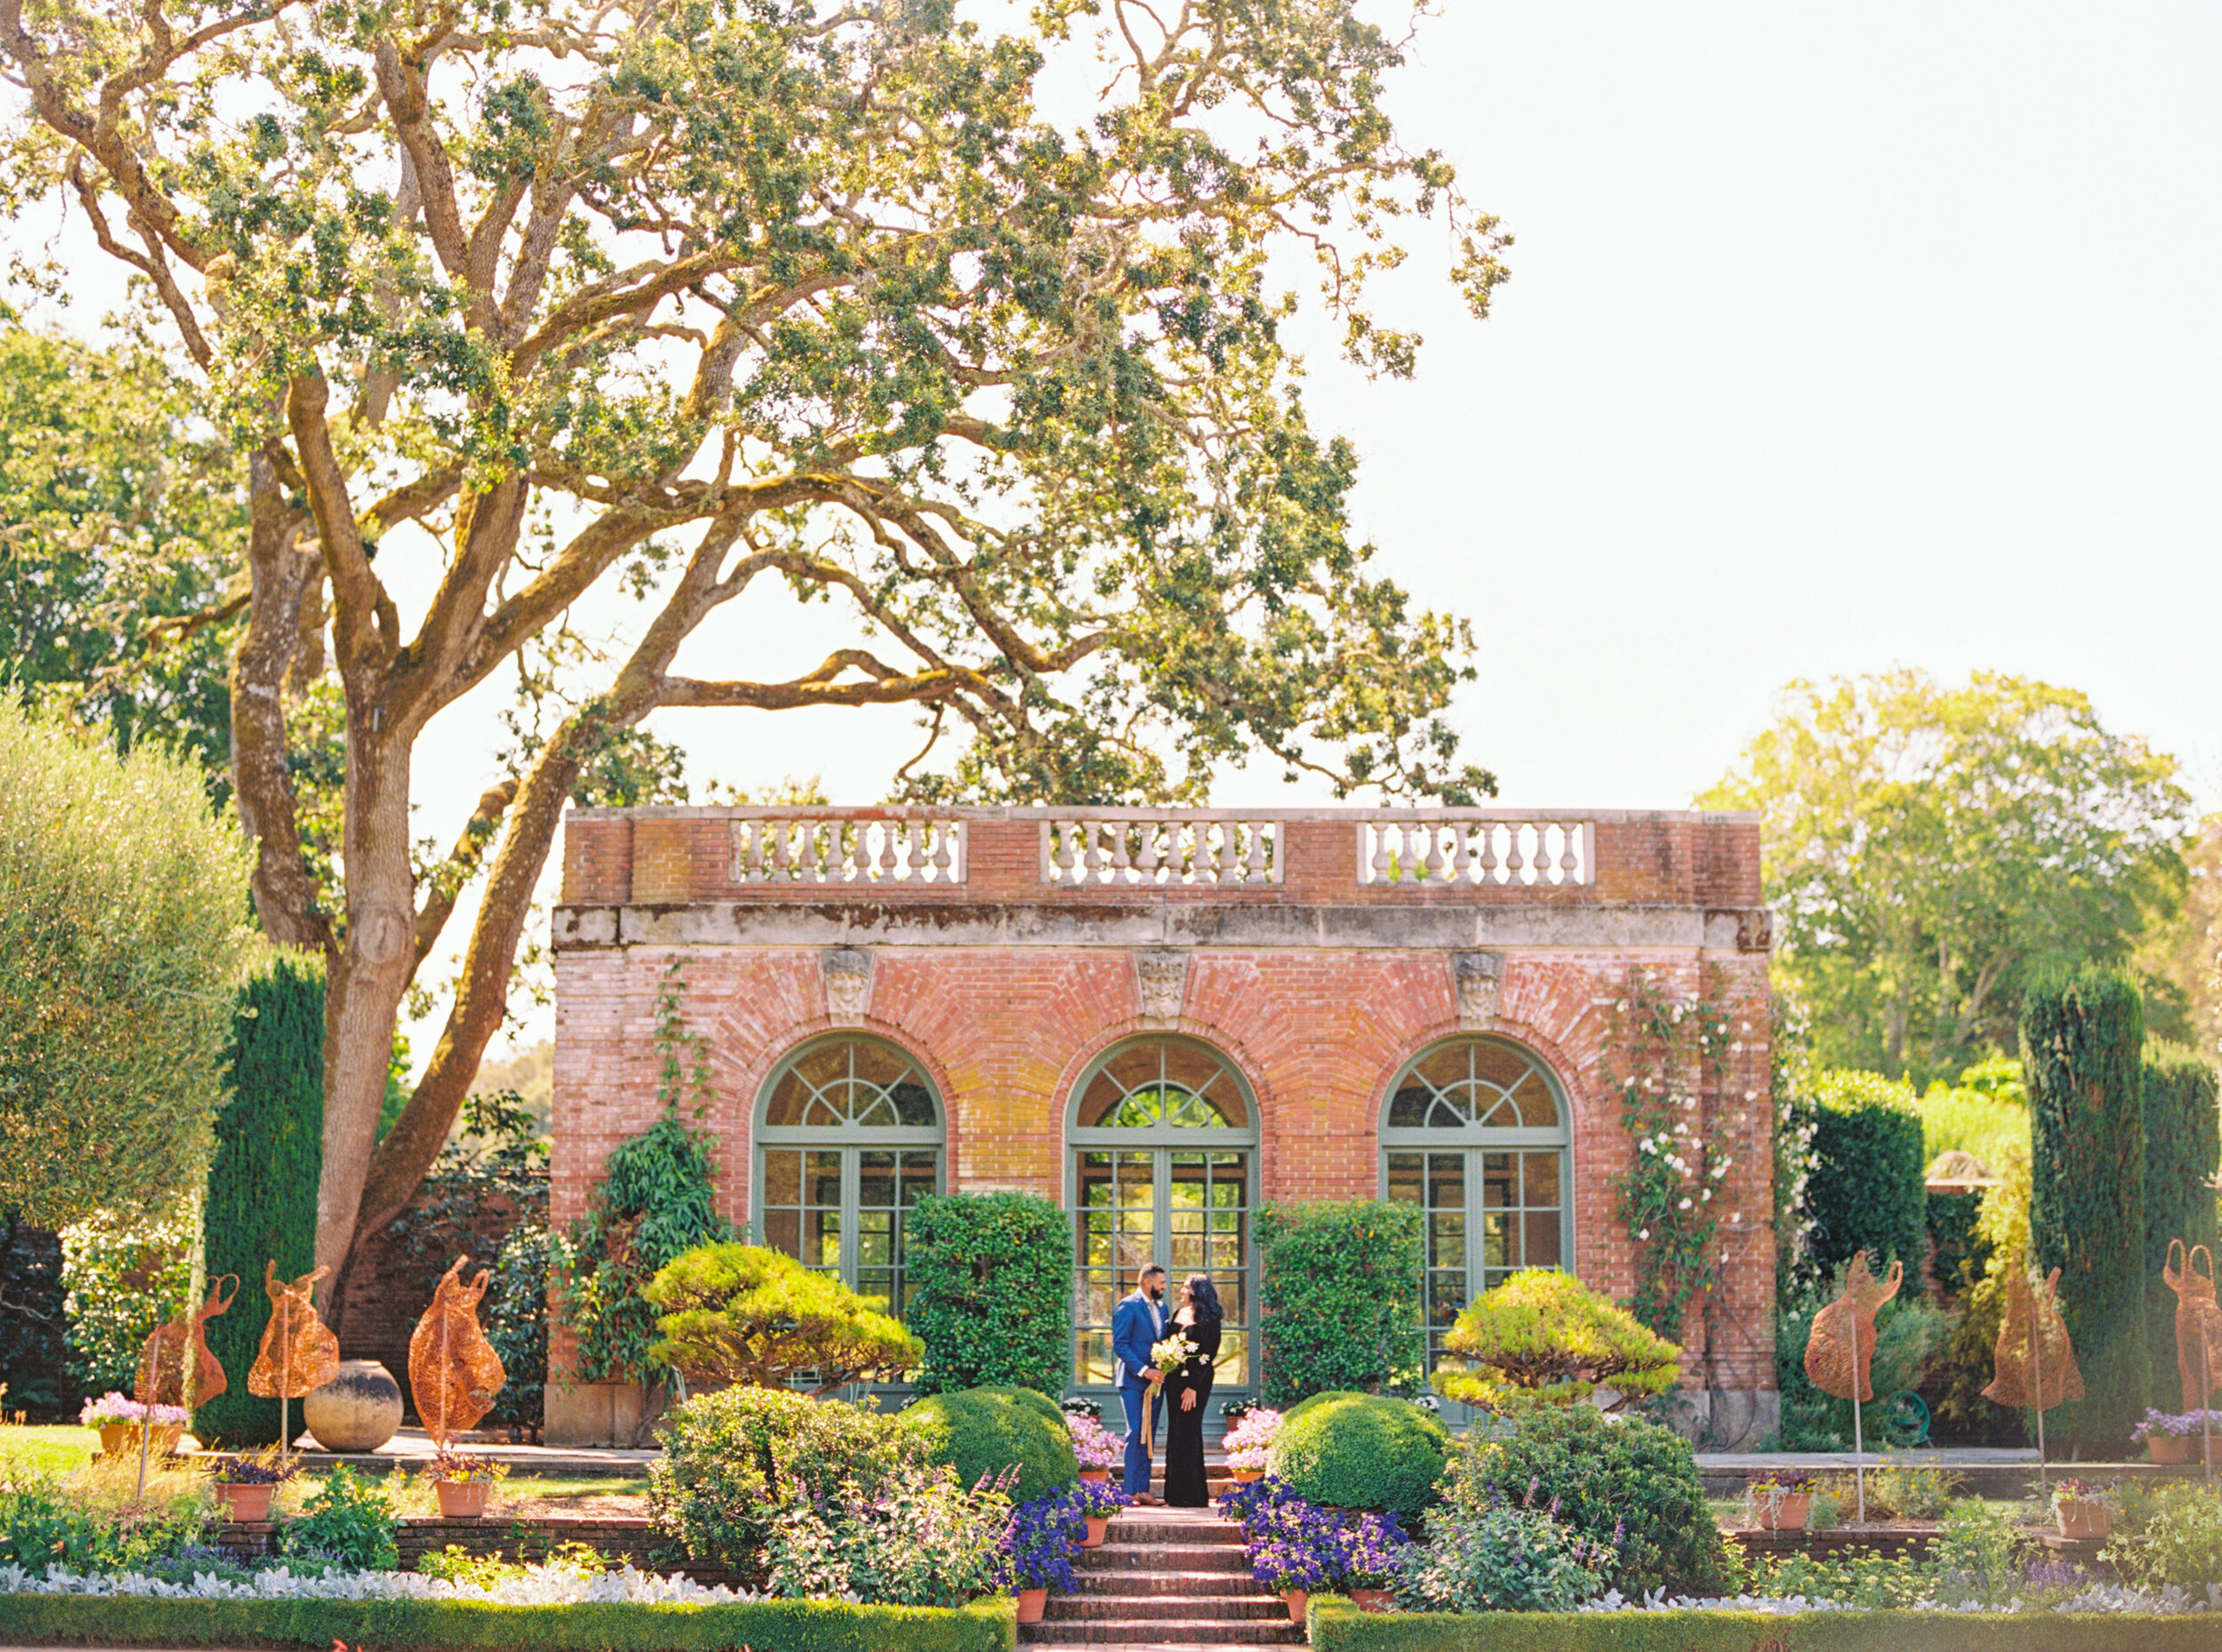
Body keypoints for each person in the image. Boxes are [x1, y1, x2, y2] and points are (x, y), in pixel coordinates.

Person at [1162, 1273, 1224, 1507]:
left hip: (1196, 1383)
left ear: (1198, 1291)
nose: (1181, 1290)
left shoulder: (1210, 1318)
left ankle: (1194, 1495)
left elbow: (1208, 1355)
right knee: (1176, 1432)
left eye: (1186, 1287)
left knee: (1189, 1432)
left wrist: (1192, 1387)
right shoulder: (1178, 1313)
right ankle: (1175, 1495)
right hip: (1174, 1381)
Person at [1111, 1263, 1168, 1504]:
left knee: (1149, 1435)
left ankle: (1143, 1490)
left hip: (1156, 1382)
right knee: (1136, 1432)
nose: (1165, 1287)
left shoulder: (1163, 1308)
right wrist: (1144, 1371)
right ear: (1147, 1282)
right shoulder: (1128, 1305)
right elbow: (1120, 1344)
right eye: (1161, 1283)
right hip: (1133, 1381)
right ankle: (1129, 1490)